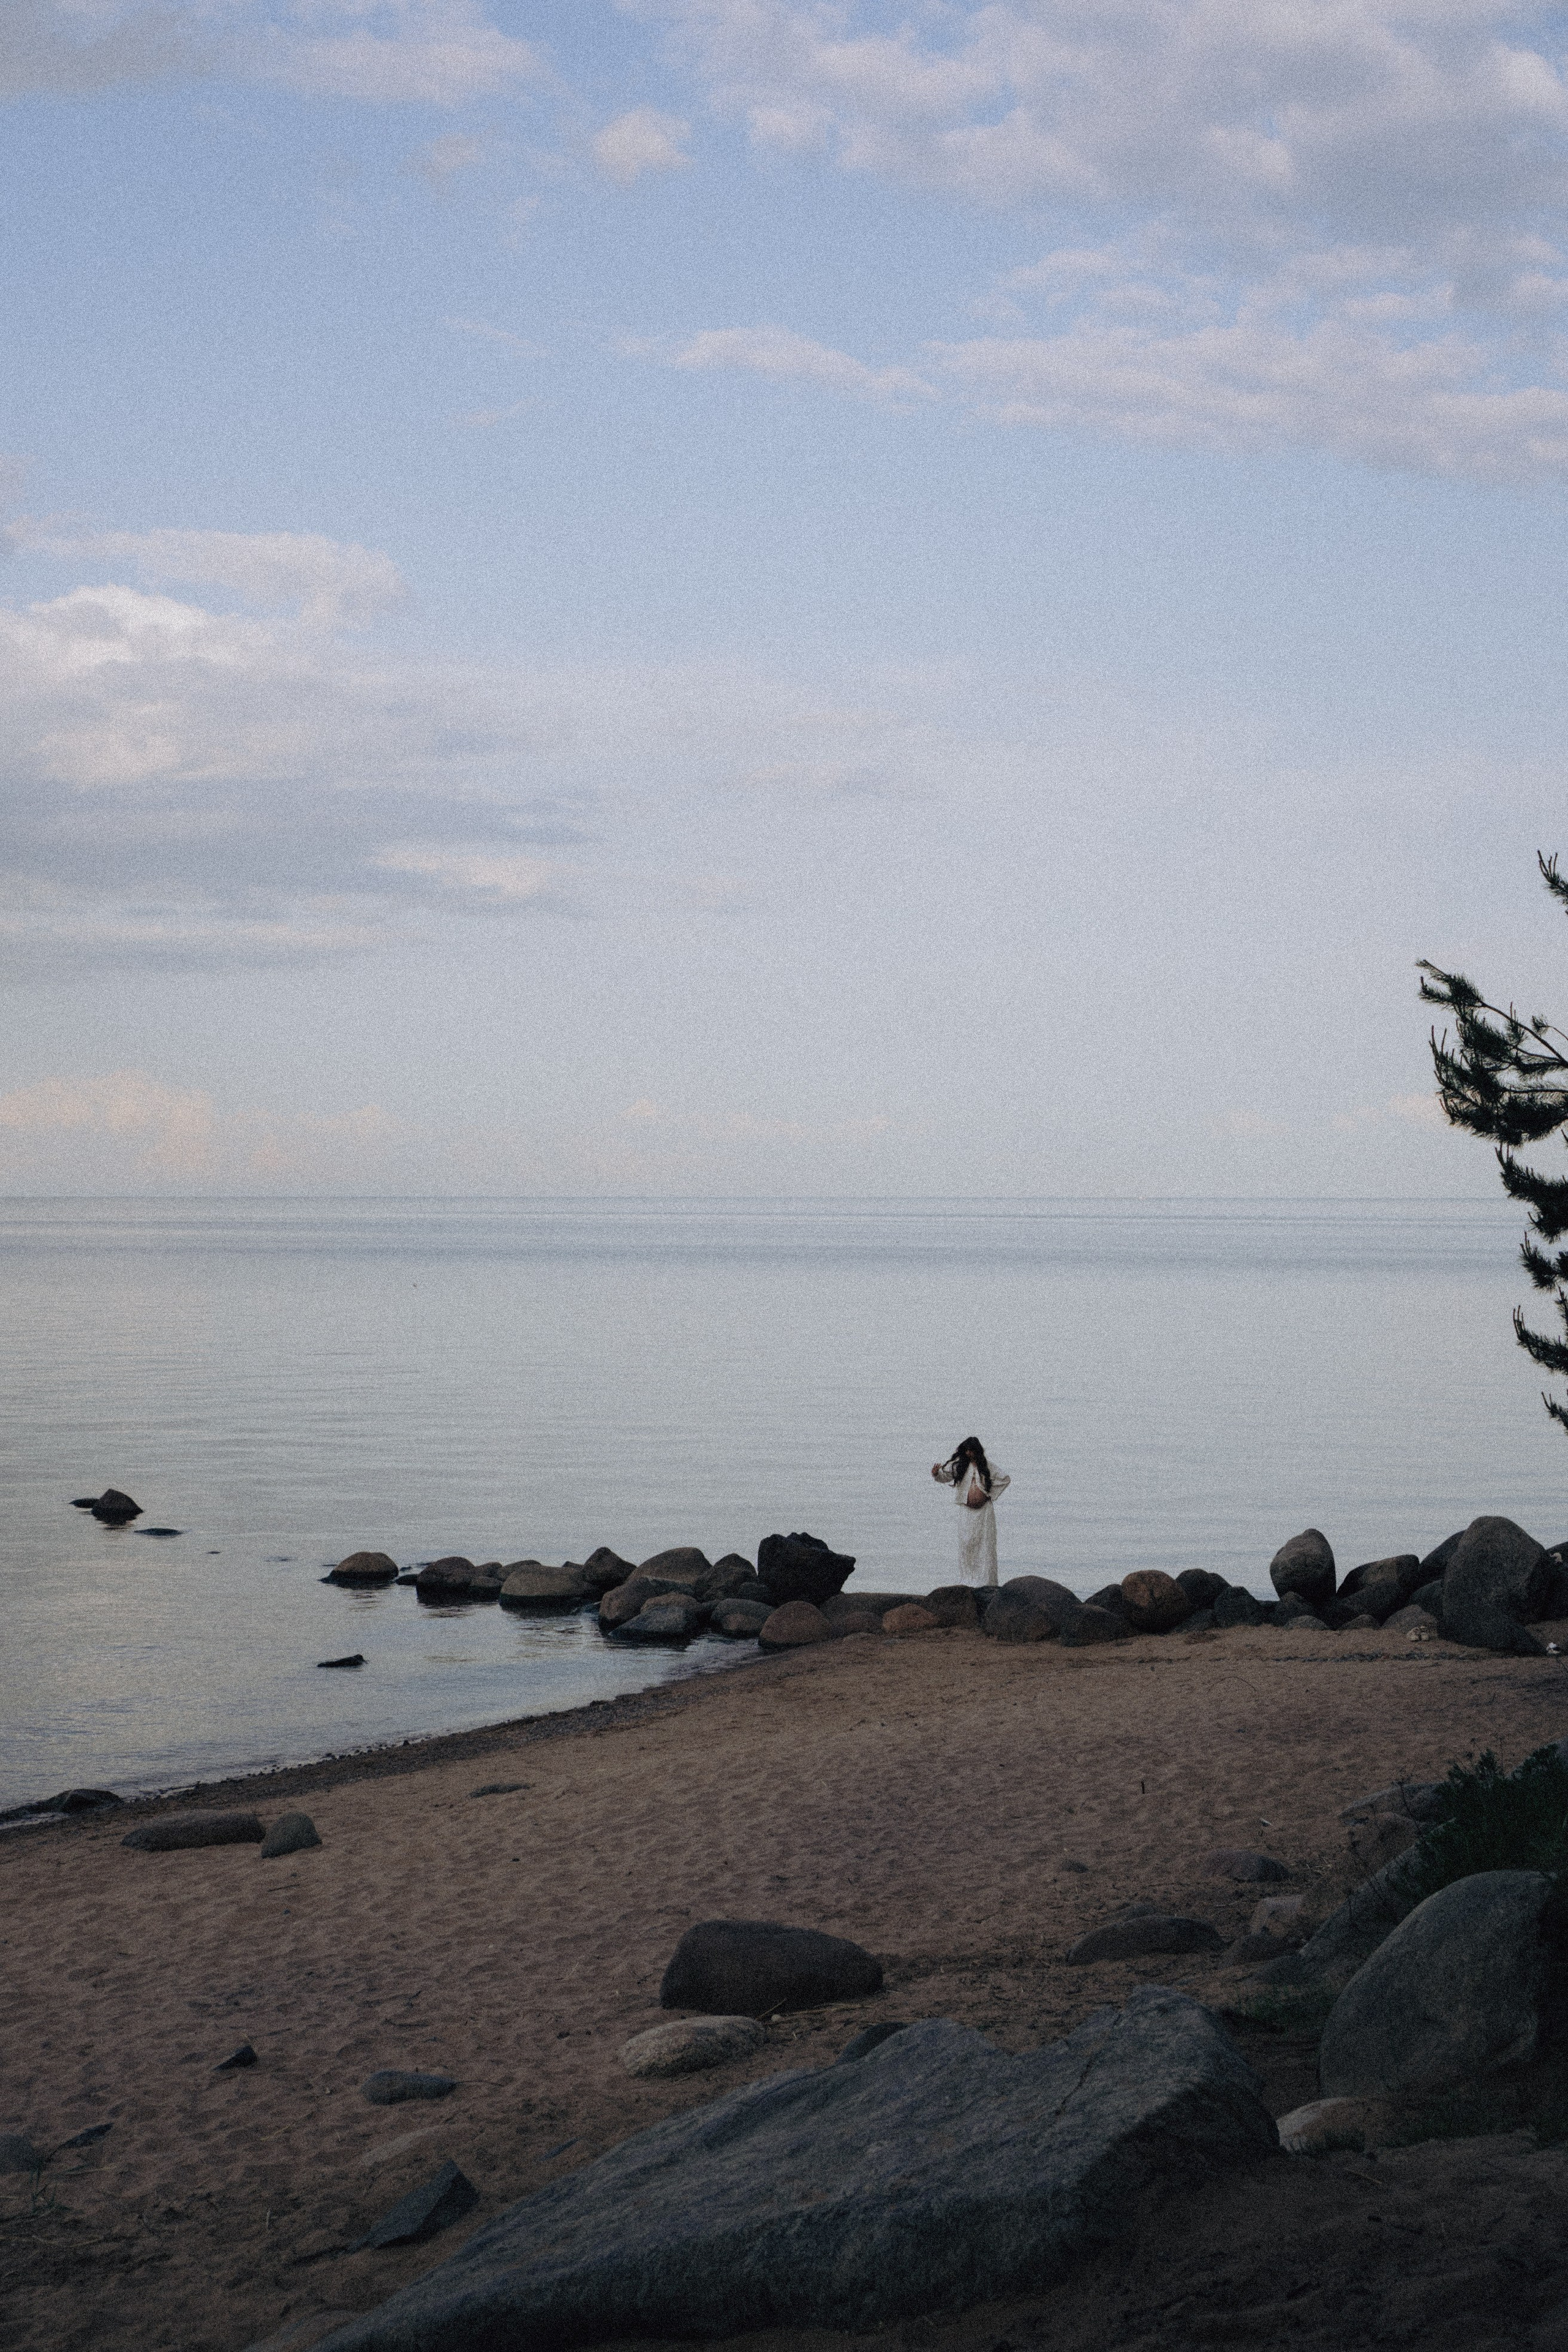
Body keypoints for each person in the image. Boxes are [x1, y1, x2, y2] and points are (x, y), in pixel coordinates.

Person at [930, 1436, 1010, 1587]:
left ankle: (986, 1582)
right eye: (966, 1450)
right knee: (967, 1544)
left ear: (977, 1451)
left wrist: (989, 1494)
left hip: (984, 1512)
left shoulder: (986, 1465)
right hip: (966, 1511)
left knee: (985, 1545)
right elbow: (945, 1476)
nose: (969, 1453)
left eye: (971, 1450)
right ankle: (968, 1579)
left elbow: (1005, 1479)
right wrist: (936, 1475)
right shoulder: (958, 1465)